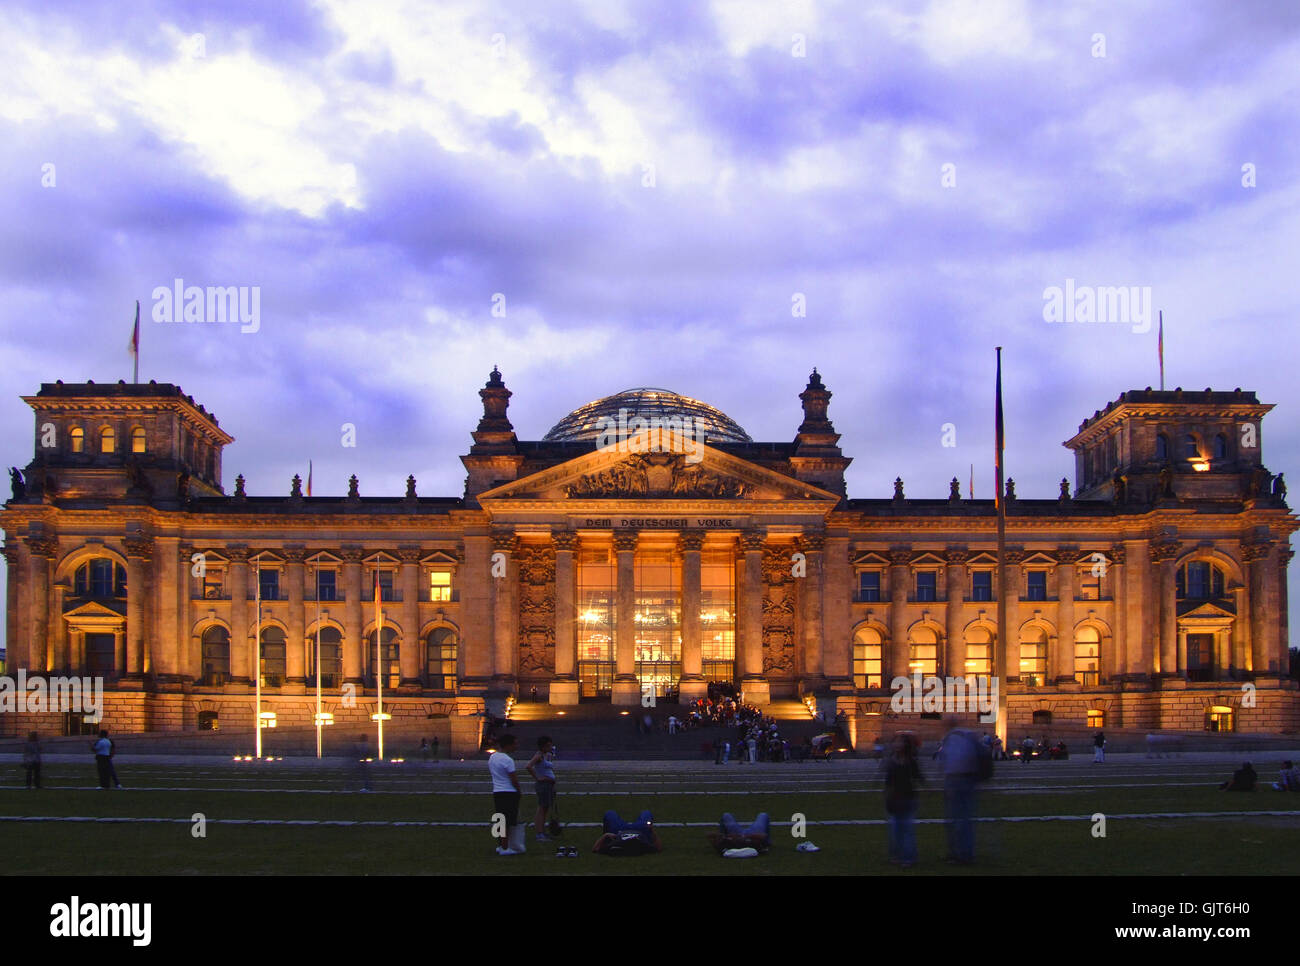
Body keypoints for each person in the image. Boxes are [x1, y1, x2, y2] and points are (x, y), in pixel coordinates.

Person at [939, 719, 980, 864]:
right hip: (968, 780)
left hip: (956, 780)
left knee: (957, 819)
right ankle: (962, 852)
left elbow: (945, 761)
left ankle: (961, 854)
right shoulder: (968, 735)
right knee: (963, 818)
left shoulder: (951, 737)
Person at [883, 733, 923, 867]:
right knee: (895, 830)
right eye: (895, 742)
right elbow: (888, 781)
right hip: (894, 799)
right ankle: (897, 855)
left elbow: (919, 777)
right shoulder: (891, 761)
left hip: (908, 798)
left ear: (905, 745)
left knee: (907, 829)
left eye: (899, 742)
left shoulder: (911, 761)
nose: (897, 744)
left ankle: (909, 857)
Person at [490, 734, 525, 854]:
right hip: (509, 792)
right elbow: (513, 779)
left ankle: (500, 845)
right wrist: (519, 791)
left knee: (499, 819)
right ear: (508, 745)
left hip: (497, 791)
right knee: (507, 822)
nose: (516, 746)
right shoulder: (507, 760)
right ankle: (505, 848)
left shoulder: (492, 757)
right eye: (514, 744)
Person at [526, 735, 558, 842]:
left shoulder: (546, 755)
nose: (550, 747)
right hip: (543, 785)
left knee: (545, 809)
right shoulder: (539, 755)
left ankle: (542, 832)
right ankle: (539, 833)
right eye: (548, 745)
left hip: (548, 785)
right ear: (542, 746)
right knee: (542, 809)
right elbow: (528, 766)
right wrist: (538, 778)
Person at [592, 810, 662, 855]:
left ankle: (607, 839)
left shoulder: (614, 848)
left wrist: (606, 835)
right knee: (646, 813)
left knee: (610, 813)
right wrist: (651, 830)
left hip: (619, 831)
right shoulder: (644, 847)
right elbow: (658, 848)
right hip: (640, 831)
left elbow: (595, 849)